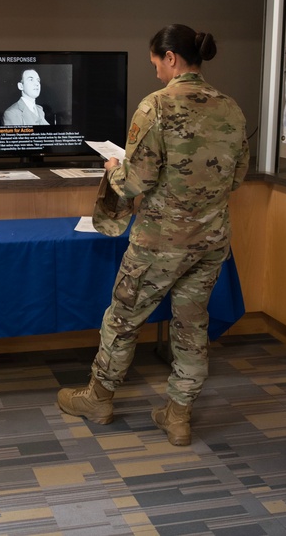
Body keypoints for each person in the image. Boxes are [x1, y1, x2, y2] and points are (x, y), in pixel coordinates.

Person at [57, 24, 249, 446]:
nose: (157, 73)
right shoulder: (231, 108)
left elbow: (136, 182)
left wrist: (113, 169)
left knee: (123, 319)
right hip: (211, 241)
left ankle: (99, 398)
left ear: (172, 58)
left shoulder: (156, 107)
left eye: (156, 64)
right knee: (191, 326)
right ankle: (178, 416)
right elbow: (237, 177)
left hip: (159, 243)